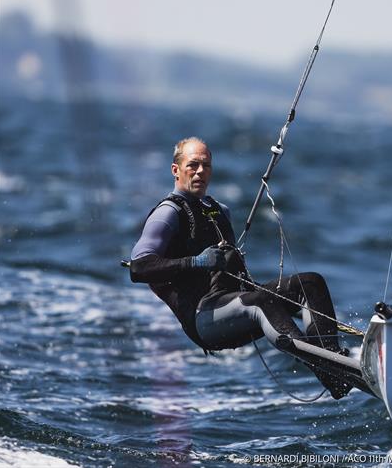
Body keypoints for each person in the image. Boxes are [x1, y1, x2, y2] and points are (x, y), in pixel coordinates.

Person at [130, 137, 351, 399]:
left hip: (233, 304)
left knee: (310, 283)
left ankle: (333, 365)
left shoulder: (219, 211)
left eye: (206, 165)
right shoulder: (168, 213)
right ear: (175, 170)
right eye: (193, 165)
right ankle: (328, 367)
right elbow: (139, 267)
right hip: (203, 318)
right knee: (259, 302)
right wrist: (198, 261)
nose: (200, 171)